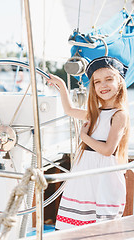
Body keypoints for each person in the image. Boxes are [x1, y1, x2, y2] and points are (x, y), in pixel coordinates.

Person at [47, 56, 130, 230]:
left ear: (120, 83)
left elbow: (108, 150)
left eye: (109, 79)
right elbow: (69, 110)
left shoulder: (119, 114)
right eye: (97, 82)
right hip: (85, 175)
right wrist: (62, 86)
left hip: (103, 178)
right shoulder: (95, 113)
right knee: (76, 227)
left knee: (101, 228)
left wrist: (83, 137)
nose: (103, 85)